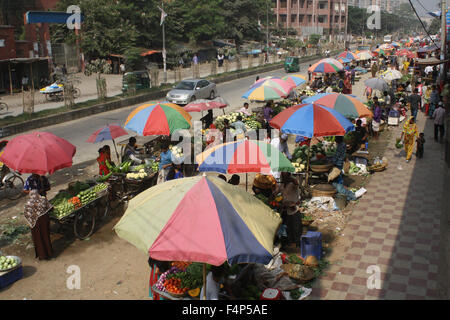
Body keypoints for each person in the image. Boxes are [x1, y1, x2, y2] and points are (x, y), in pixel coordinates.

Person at [24, 190, 53, 260]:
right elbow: (51, 208)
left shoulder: (28, 203)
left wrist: (33, 219)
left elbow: (26, 214)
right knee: (46, 236)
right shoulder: (42, 199)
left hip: (35, 224)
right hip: (44, 220)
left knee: (38, 239)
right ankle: (49, 253)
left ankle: (42, 255)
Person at [277, 172, 301, 250]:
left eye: (284, 176)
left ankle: (297, 244)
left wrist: (292, 179)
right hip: (285, 208)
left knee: (295, 227)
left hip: (293, 208)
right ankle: (288, 242)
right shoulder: (282, 185)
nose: (282, 178)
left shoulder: (292, 184)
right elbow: (276, 192)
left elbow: (297, 184)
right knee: (286, 227)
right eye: (282, 176)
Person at [330, 136, 357, 201]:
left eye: (336, 139)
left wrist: (331, 161)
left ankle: (351, 196)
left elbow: (336, 157)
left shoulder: (340, 146)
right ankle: (346, 197)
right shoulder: (343, 144)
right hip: (339, 164)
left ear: (338, 139)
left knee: (339, 185)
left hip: (338, 165)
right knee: (336, 182)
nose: (335, 140)